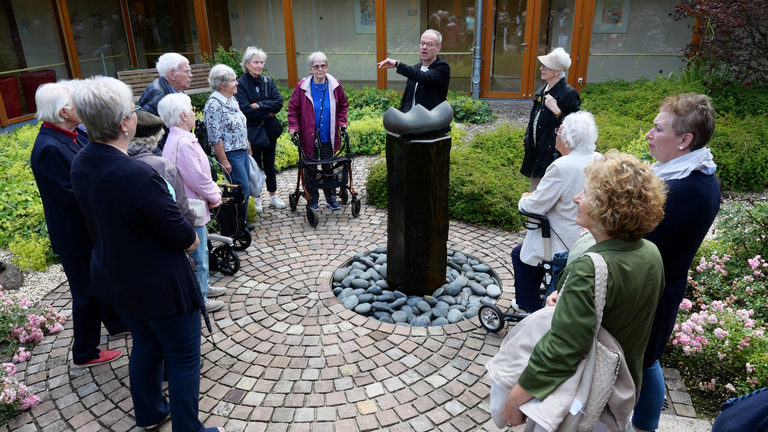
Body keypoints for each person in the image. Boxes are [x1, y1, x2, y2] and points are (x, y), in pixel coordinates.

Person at [69, 76, 224, 432]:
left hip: (117, 279)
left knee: (145, 347)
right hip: (159, 286)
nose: (137, 115)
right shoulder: (137, 174)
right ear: (125, 123)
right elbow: (187, 238)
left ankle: (152, 414)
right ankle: (189, 429)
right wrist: (190, 239)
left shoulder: (82, 161)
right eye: (133, 111)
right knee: (184, 358)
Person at [501, 151, 667, 429]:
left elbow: (563, 350)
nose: (577, 199)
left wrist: (515, 399)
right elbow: (627, 313)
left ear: (608, 208)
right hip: (622, 392)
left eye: (586, 194)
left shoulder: (590, 267)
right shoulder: (651, 253)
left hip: (587, 401)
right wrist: (569, 302)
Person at [632, 93, 721, 432]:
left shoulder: (681, 189)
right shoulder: (701, 175)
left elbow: (639, 244)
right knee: (649, 360)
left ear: (685, 140)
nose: (649, 135)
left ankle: (642, 426)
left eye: (658, 129)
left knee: (643, 363)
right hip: (667, 284)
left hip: (651, 291)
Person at [29, 81, 126, 369]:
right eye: (74, 103)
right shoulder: (48, 146)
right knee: (85, 293)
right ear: (62, 111)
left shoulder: (72, 134)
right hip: (75, 235)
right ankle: (85, 351)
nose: (80, 107)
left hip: (88, 228)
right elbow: (69, 195)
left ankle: (116, 322)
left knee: (102, 278)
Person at [511, 111, 602, 313]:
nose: (556, 135)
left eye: (558, 131)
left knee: (520, 255)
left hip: (559, 238)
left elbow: (534, 206)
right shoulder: (598, 158)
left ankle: (531, 310)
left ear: (567, 140)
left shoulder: (562, 166)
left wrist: (525, 199)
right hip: (586, 234)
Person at [160, 93, 226, 313]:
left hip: (192, 204)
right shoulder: (183, 143)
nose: (194, 114)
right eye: (192, 109)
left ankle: (203, 287)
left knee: (201, 253)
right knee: (199, 257)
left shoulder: (180, 138)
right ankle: (201, 298)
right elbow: (195, 177)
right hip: (192, 208)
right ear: (183, 114)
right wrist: (215, 196)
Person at [288, 52, 349, 210]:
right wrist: (293, 127)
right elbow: (293, 109)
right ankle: (313, 198)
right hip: (309, 137)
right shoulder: (302, 86)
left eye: (323, 65)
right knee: (310, 168)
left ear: (327, 66)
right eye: (316, 66)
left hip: (328, 135)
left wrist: (342, 123)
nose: (320, 69)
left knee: (329, 167)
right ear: (310, 68)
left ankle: (331, 198)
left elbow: (343, 106)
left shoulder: (334, 84)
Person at [520, 47, 581, 192]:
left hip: (552, 157)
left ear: (557, 72)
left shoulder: (569, 93)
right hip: (536, 155)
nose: (541, 68)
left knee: (548, 197)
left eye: (545, 66)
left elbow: (576, 128)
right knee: (535, 195)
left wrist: (558, 111)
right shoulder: (542, 90)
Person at [234, 47, 286, 213]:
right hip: (253, 132)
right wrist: (267, 112)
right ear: (247, 64)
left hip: (270, 131)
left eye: (261, 62)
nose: (259, 65)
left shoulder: (267, 81)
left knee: (270, 164)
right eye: (256, 62)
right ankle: (256, 199)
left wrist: (259, 105)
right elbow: (244, 109)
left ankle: (273, 195)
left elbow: (278, 103)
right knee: (255, 166)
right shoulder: (240, 84)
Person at [204, 64, 253, 230]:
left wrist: (247, 145)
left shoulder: (232, 100)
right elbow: (214, 136)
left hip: (241, 151)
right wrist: (224, 161)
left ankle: (242, 223)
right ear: (221, 84)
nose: (236, 83)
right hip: (230, 154)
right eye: (232, 80)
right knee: (241, 189)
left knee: (242, 189)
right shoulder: (214, 104)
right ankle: (235, 227)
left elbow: (240, 124)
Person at [377, 30, 450, 123]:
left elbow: (423, 77)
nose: (424, 47)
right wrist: (402, 115)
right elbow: (407, 97)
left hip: (431, 124)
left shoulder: (442, 67)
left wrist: (397, 64)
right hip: (410, 122)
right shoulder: (416, 68)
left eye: (429, 44)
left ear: (438, 48)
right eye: (422, 43)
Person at [138, 53, 193, 153]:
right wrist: (165, 162)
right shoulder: (159, 98)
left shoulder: (176, 90)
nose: (190, 75)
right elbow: (146, 136)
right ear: (172, 74)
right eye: (186, 71)